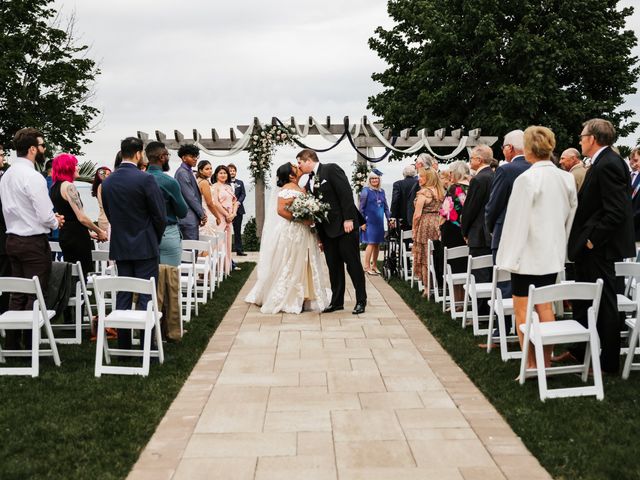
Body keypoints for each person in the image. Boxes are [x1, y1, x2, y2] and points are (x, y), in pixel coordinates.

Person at [497, 126, 577, 369]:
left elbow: (515, 222)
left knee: (523, 309)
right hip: (552, 254)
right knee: (545, 306)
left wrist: (507, 258)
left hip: (527, 256)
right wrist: (562, 248)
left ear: (530, 149)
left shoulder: (527, 179)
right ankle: (546, 363)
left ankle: (531, 364)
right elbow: (570, 217)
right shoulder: (567, 178)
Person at [567, 118, 635, 374]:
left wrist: (592, 239)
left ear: (593, 138)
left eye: (583, 135)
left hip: (599, 247)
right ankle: (580, 350)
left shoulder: (608, 164)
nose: (580, 140)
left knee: (604, 303)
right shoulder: (602, 162)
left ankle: (607, 362)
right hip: (591, 247)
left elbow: (616, 211)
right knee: (585, 300)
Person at [0, 128, 64, 349]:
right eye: (42, 146)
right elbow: (45, 214)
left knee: (17, 292)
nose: (44, 149)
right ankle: (29, 344)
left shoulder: (6, 175)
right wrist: (56, 222)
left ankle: (11, 342)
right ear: (32, 149)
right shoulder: (33, 176)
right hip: (32, 242)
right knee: (36, 293)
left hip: (12, 239)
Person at [101, 137, 167, 351]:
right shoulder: (145, 179)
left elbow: (110, 214)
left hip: (121, 245)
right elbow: (159, 215)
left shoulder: (107, 182)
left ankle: (124, 346)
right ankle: (145, 346)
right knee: (147, 294)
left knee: (123, 293)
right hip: (145, 245)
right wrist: (154, 237)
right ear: (139, 154)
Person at [245, 162, 329, 313]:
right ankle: (289, 296)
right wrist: (302, 219)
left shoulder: (299, 188)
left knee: (305, 261)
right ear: (291, 175)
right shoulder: (286, 190)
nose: (298, 167)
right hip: (293, 231)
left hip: (304, 231)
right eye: (295, 167)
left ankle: (306, 294)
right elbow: (281, 211)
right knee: (291, 261)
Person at [297, 148, 367, 314]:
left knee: (353, 265)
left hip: (345, 228)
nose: (299, 166)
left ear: (308, 160)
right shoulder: (309, 182)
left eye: (300, 162)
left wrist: (349, 219)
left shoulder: (331, 169)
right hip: (327, 232)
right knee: (334, 267)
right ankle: (337, 302)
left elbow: (345, 194)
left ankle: (361, 301)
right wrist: (320, 237)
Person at [146, 141, 188, 342]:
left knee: (148, 283)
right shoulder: (168, 182)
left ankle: (148, 330)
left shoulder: (140, 179)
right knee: (170, 283)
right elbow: (182, 211)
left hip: (145, 235)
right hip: (168, 233)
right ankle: (170, 331)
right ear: (162, 157)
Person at [50, 153, 108, 277]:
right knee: (81, 275)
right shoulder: (69, 187)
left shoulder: (54, 187)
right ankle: (80, 296)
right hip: (77, 238)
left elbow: (69, 216)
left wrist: (88, 233)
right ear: (68, 167)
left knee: (72, 274)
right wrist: (99, 231)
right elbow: (81, 217)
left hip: (66, 234)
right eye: (75, 165)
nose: (78, 167)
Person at [461, 144, 495, 284]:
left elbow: (470, 208)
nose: (469, 162)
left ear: (479, 160)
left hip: (478, 233)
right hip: (491, 233)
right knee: (490, 274)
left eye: (471, 158)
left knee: (479, 275)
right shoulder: (494, 175)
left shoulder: (478, 179)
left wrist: (465, 230)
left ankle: (481, 306)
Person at [439, 160, 470, 307]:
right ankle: (464, 301)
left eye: (451, 172)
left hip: (453, 230)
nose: (450, 175)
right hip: (467, 229)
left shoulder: (455, 188)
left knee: (454, 267)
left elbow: (446, 211)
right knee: (465, 266)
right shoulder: (471, 187)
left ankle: (458, 302)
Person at [412, 168, 444, 295]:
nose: (419, 178)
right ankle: (438, 283)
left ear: (428, 178)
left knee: (425, 255)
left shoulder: (424, 193)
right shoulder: (440, 191)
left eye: (421, 176)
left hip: (425, 224)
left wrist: (414, 229)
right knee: (435, 253)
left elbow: (417, 215)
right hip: (437, 222)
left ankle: (427, 287)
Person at [359, 171, 392, 275]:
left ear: (379, 180)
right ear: (369, 180)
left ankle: (374, 266)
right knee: (371, 243)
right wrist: (362, 222)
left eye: (376, 178)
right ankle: (366, 266)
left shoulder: (382, 191)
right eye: (372, 178)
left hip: (379, 222)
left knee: (377, 244)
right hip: (369, 221)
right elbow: (361, 208)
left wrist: (389, 218)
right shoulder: (365, 191)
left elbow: (386, 207)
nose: (374, 180)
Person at [175, 144, 205, 240]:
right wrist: (202, 214)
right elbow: (190, 197)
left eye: (196, 156)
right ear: (184, 158)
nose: (195, 159)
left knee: (193, 251)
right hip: (187, 219)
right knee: (191, 251)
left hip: (190, 218)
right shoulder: (182, 173)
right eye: (192, 156)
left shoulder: (188, 171)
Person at [211, 165, 237, 274]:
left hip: (230, 217)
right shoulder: (214, 186)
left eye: (225, 173)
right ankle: (217, 270)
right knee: (219, 242)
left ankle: (227, 268)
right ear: (216, 174)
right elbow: (216, 203)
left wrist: (233, 214)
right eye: (221, 173)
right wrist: (226, 214)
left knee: (227, 242)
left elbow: (235, 201)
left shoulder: (229, 187)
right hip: (220, 217)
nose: (223, 175)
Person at [195, 160, 220, 238]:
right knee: (209, 241)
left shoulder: (198, 180)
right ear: (200, 171)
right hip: (208, 214)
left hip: (202, 213)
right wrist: (218, 217)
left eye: (211, 168)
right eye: (207, 169)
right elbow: (209, 203)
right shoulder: (204, 182)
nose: (210, 171)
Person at [390, 164, 418, 232]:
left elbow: (395, 200)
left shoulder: (397, 184)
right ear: (415, 174)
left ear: (403, 174)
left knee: (402, 238)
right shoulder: (418, 183)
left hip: (401, 216)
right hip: (415, 214)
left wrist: (392, 216)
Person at [228, 163, 247, 256]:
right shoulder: (224, 183)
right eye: (230, 170)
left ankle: (239, 250)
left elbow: (243, 194)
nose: (232, 172)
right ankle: (226, 250)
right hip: (227, 210)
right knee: (226, 230)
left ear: (236, 172)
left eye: (233, 170)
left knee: (237, 230)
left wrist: (238, 202)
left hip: (238, 210)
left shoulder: (240, 183)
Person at [92, 166, 112, 239]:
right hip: (106, 219)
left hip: (104, 218)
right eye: (107, 174)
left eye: (110, 174)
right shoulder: (103, 186)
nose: (110, 176)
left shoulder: (103, 186)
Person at [629, 148, 640, 245]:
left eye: (636, 160)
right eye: (631, 159)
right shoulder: (627, 176)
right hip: (625, 230)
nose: (632, 163)